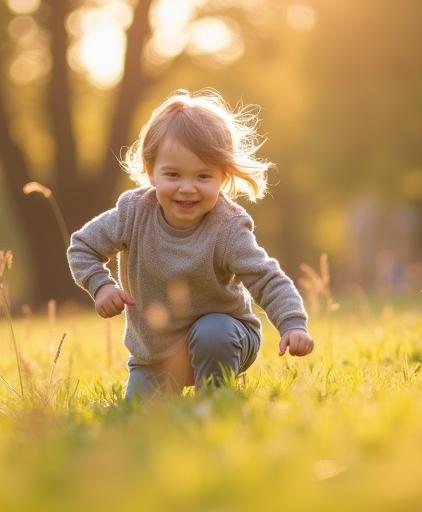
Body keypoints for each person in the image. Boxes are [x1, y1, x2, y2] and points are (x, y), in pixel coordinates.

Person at [67, 89, 314, 400]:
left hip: (226, 336)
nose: (187, 188)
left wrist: (293, 323)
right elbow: (82, 246)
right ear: (150, 171)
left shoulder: (227, 227)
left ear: (222, 177)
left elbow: (266, 277)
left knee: (212, 334)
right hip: (155, 356)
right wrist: (100, 286)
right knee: (141, 412)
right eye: (173, 174)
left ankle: (212, 399)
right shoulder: (133, 213)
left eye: (202, 176)